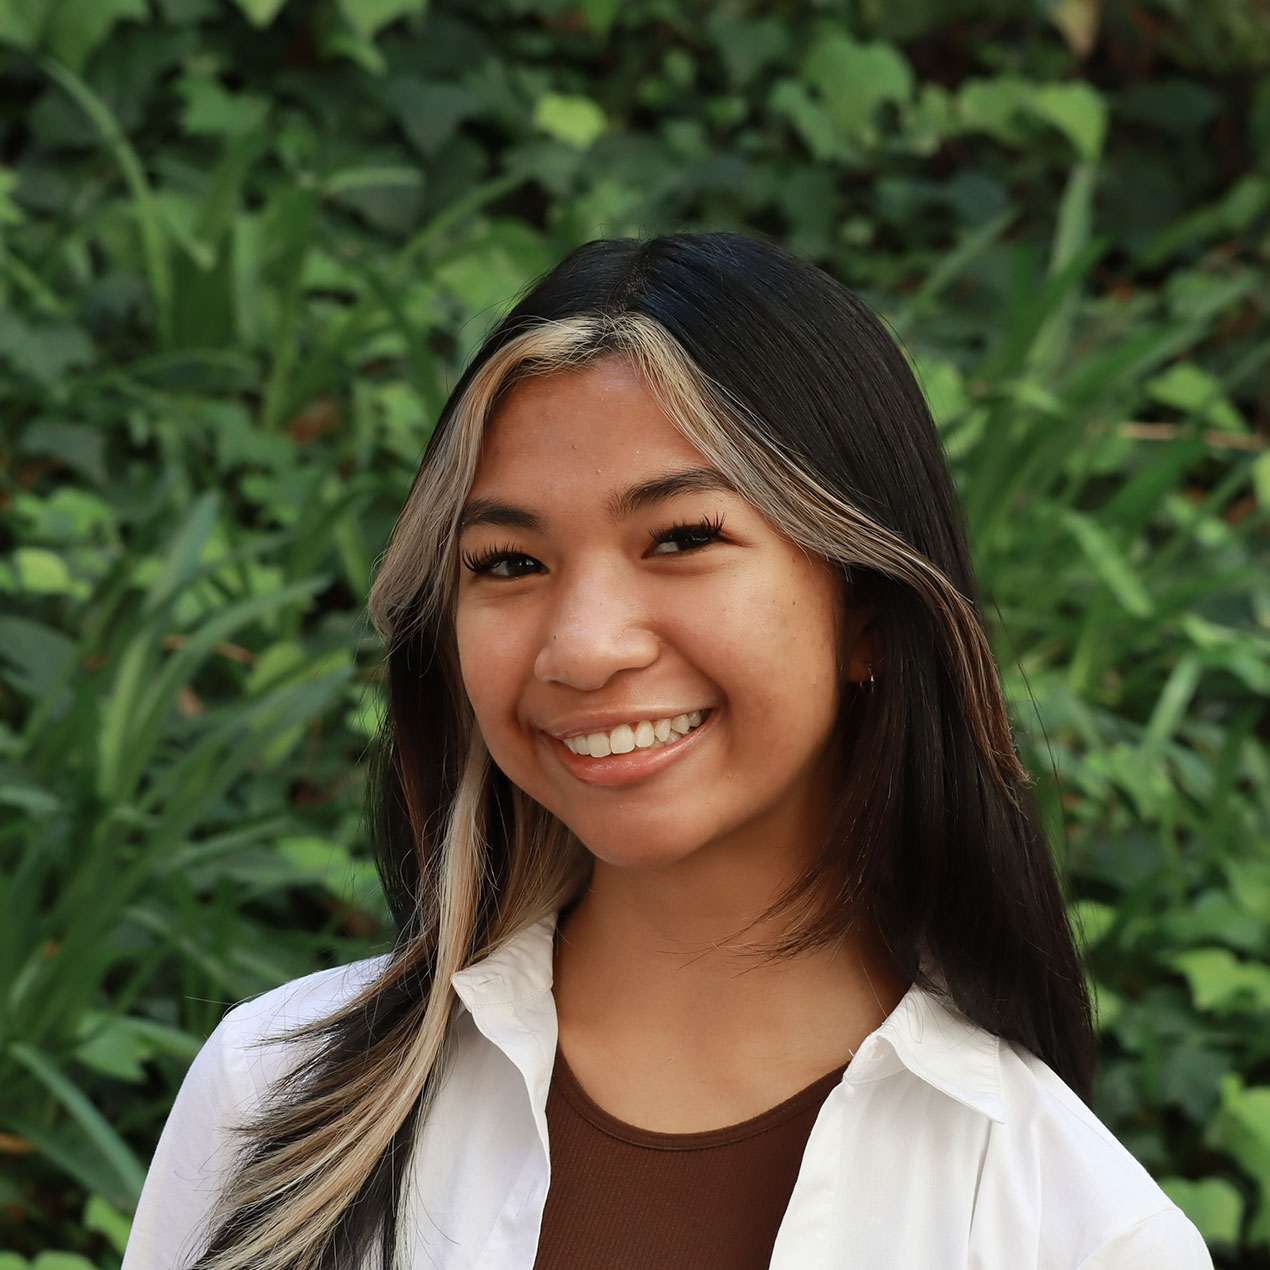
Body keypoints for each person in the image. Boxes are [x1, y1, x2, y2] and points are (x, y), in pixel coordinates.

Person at [122, 232, 1212, 1270]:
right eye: (506, 562)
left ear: (868, 609)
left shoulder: (1074, 1230)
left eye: (683, 539)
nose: (584, 647)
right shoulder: (276, 1098)